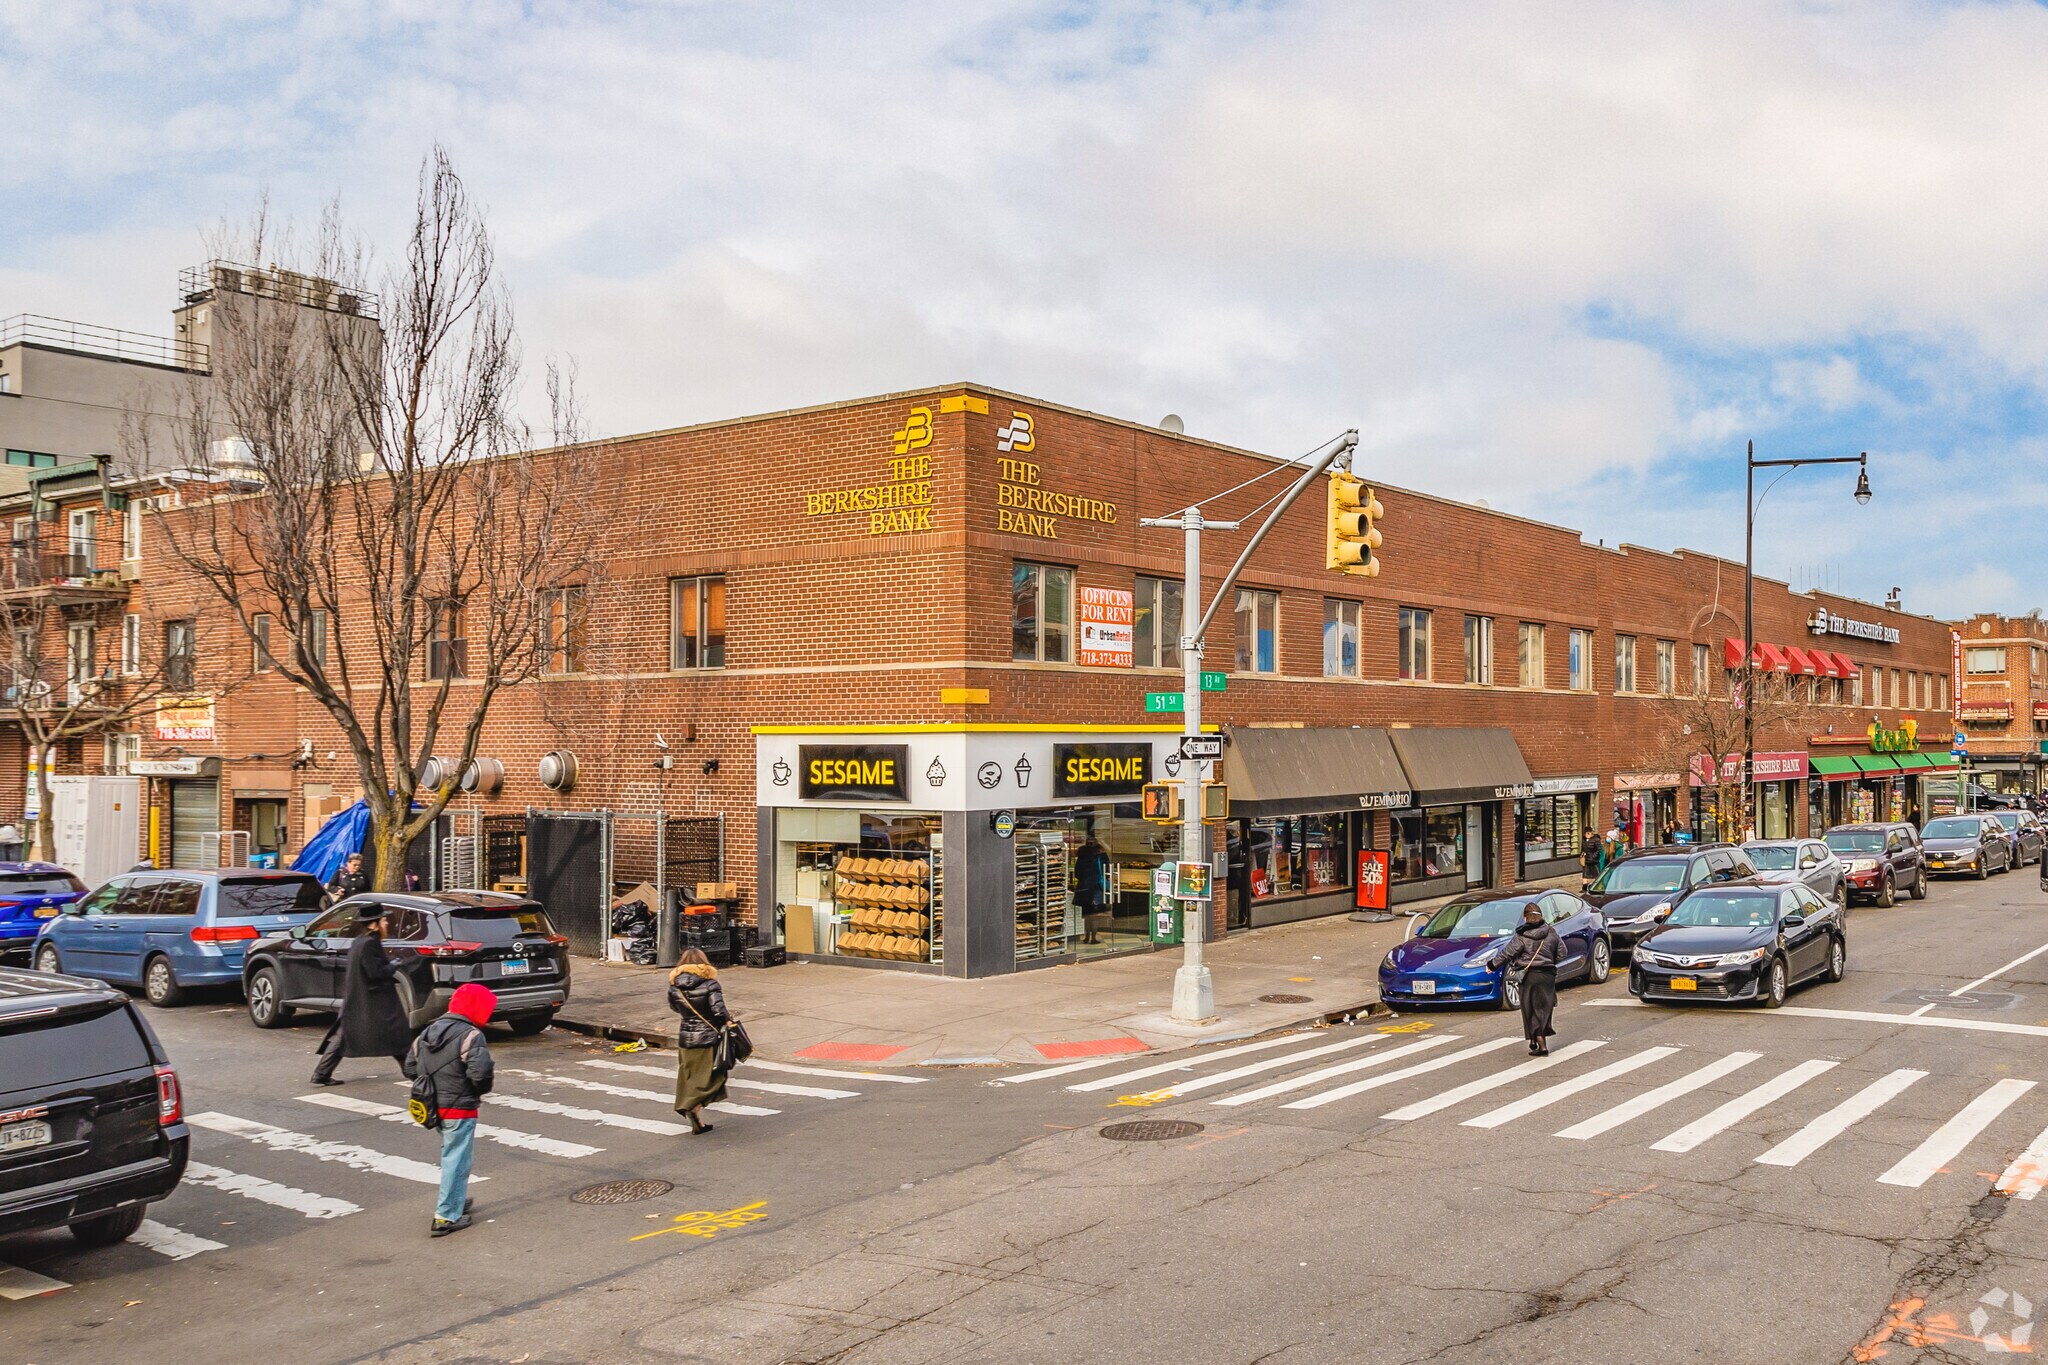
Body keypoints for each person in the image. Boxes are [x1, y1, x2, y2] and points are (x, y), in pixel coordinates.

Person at [404, 981, 496, 1238]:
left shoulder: (427, 1032)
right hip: (460, 1107)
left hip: (434, 1107)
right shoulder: (471, 1035)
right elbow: (480, 1073)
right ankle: (446, 1216)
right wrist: (475, 1091)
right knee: (457, 1160)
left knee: (451, 1155)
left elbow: (410, 1067)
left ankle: (455, 1199)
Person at [311, 909, 412, 1086]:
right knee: (396, 1031)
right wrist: (393, 965)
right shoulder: (369, 943)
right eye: (383, 920)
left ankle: (321, 1073)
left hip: (360, 998)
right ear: (374, 924)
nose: (386, 923)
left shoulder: (360, 941)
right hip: (373, 999)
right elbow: (374, 973)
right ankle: (412, 1071)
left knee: (345, 1035)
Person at [667, 947, 733, 1135]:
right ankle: (692, 1105)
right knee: (714, 1076)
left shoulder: (675, 986)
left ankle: (697, 1119)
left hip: (686, 1037)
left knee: (689, 1076)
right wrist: (727, 1021)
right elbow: (719, 1010)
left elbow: (674, 1007)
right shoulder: (710, 983)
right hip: (707, 1036)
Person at [1494, 903, 1562, 1056]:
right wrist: (1549, 962)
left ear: (1525, 917)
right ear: (1541, 916)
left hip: (1529, 975)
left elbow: (1507, 953)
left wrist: (1492, 965)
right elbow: (1562, 952)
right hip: (1547, 975)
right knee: (1544, 1009)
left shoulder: (1522, 935)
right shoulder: (1551, 932)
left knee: (1530, 1009)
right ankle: (1535, 1040)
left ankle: (1541, 1044)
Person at [1074, 834, 1110, 943]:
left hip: (1083, 888)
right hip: (1096, 888)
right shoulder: (1101, 856)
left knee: (1086, 915)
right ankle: (1094, 937)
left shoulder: (1082, 856)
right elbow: (1107, 870)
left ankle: (1086, 936)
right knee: (1095, 915)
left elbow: (1077, 873)